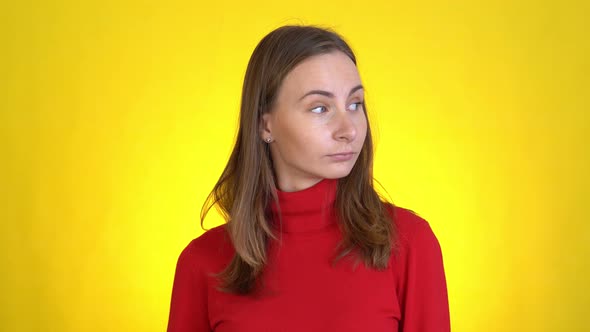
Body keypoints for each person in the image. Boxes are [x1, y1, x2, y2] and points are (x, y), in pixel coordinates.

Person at [167, 25, 450, 332]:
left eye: (355, 104)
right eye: (320, 108)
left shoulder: (408, 243)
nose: (349, 129)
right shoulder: (202, 262)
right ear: (266, 125)